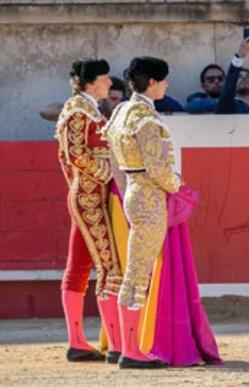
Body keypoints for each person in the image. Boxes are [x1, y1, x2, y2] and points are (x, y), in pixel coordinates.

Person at [104, 56, 221, 368]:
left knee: (136, 270)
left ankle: (125, 347)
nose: (167, 85)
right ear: (153, 82)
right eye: (164, 80)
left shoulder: (120, 112)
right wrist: (178, 186)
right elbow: (158, 169)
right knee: (138, 273)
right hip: (150, 197)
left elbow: (114, 162)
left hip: (132, 190)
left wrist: (127, 185)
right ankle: (131, 351)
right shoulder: (146, 119)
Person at [54, 58, 123, 363]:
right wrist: (106, 176)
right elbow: (76, 154)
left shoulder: (85, 109)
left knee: (80, 266)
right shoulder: (79, 110)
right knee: (109, 267)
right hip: (91, 197)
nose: (110, 83)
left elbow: (68, 158)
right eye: (105, 78)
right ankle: (117, 344)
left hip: (87, 194)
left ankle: (78, 341)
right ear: (91, 82)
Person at [215, 38, 249, 114]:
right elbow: (228, 90)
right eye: (239, 77)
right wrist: (239, 57)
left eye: (247, 76)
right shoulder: (228, 105)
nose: (244, 78)